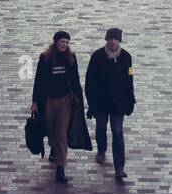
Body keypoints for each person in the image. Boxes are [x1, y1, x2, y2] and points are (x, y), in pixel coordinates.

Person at [31, 30, 86, 183]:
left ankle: (60, 168)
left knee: (61, 132)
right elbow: (39, 80)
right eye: (62, 41)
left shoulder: (71, 58)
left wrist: (79, 99)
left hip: (65, 101)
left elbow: (75, 79)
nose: (64, 45)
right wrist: (35, 102)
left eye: (67, 42)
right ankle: (53, 147)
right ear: (56, 42)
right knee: (50, 129)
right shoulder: (45, 58)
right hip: (48, 100)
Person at [85, 28, 135, 182]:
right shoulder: (97, 56)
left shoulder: (126, 57)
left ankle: (119, 167)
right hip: (101, 103)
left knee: (118, 133)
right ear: (106, 40)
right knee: (100, 128)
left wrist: (130, 100)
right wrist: (91, 103)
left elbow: (129, 79)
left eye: (116, 39)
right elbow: (89, 82)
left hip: (118, 103)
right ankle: (101, 148)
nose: (113, 42)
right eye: (110, 39)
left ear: (119, 41)